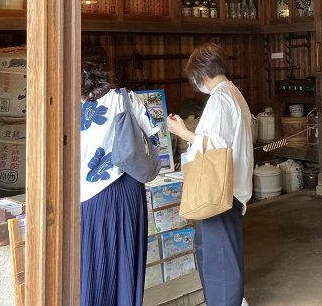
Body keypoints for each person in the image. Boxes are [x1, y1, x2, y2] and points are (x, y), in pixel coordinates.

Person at [167, 43, 254, 306]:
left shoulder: (221, 98)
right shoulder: (233, 93)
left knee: (219, 265)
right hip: (229, 190)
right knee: (219, 258)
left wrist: (183, 133)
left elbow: (217, 147)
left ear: (201, 73)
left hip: (220, 192)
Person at [80, 61, 160, 306]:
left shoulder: (67, 108)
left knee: (94, 265)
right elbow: (154, 140)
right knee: (127, 259)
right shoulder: (127, 99)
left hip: (90, 196)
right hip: (129, 189)